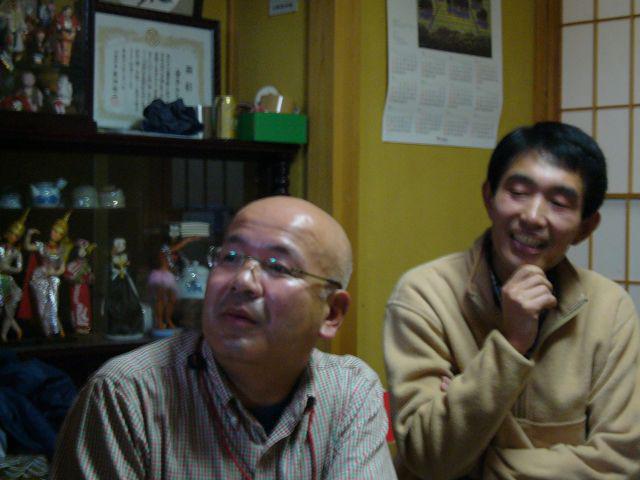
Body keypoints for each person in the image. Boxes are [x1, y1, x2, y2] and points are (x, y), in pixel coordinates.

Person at [52, 196, 396, 479]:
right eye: (230, 257)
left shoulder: (351, 392)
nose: (242, 280)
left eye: (277, 266)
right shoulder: (127, 395)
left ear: (331, 312)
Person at [384, 122, 640, 479]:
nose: (532, 216)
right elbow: (428, 457)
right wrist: (510, 344)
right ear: (488, 197)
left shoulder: (610, 308)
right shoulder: (424, 294)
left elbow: (621, 462)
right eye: (518, 192)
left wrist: (483, 461)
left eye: (558, 203)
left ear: (585, 227)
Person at [21, 211, 72, 338]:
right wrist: (29, 234)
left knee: (53, 306)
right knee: (42, 307)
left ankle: (56, 332)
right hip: (40, 278)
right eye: (55, 231)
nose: (56, 234)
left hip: (53, 278)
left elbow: (62, 268)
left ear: (62, 236)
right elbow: (27, 246)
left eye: (60, 233)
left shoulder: (61, 250)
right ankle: (47, 333)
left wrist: (54, 272)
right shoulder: (42, 246)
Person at [0, 208, 29, 342]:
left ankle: (4, 335)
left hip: (6, 281)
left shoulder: (16, 252)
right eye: (12, 233)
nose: (13, 237)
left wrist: (7, 268)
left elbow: (19, 269)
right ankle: (16, 330)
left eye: (16, 236)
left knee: (9, 310)